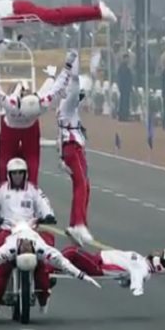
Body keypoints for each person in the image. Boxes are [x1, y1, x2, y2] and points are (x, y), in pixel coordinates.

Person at [0, 221, 101, 314]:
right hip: (11, 256)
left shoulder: (42, 249)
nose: (27, 246)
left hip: (36, 258)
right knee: (1, 273)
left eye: (28, 247)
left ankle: (43, 299)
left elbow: (65, 264)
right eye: (25, 247)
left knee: (44, 275)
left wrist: (83, 276)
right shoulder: (9, 248)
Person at [0, 50, 74, 186]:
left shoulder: (11, 104)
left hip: (13, 130)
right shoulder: (40, 104)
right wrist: (67, 67)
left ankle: (8, 187)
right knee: (30, 163)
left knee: (5, 163)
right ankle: (27, 187)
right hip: (26, 131)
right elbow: (57, 90)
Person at [56, 61, 93, 247]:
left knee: (86, 186)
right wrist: (75, 72)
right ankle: (78, 224)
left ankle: (77, 223)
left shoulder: (69, 108)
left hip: (73, 147)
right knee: (81, 185)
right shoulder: (67, 105)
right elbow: (74, 91)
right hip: (72, 147)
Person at [62, 245, 165, 297]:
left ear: (159, 264)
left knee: (73, 251)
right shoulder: (143, 262)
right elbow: (124, 281)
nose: (156, 252)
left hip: (97, 266)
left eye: (159, 254)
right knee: (70, 258)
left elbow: (137, 274)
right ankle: (50, 267)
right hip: (96, 260)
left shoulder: (143, 269)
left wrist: (137, 288)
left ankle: (48, 264)